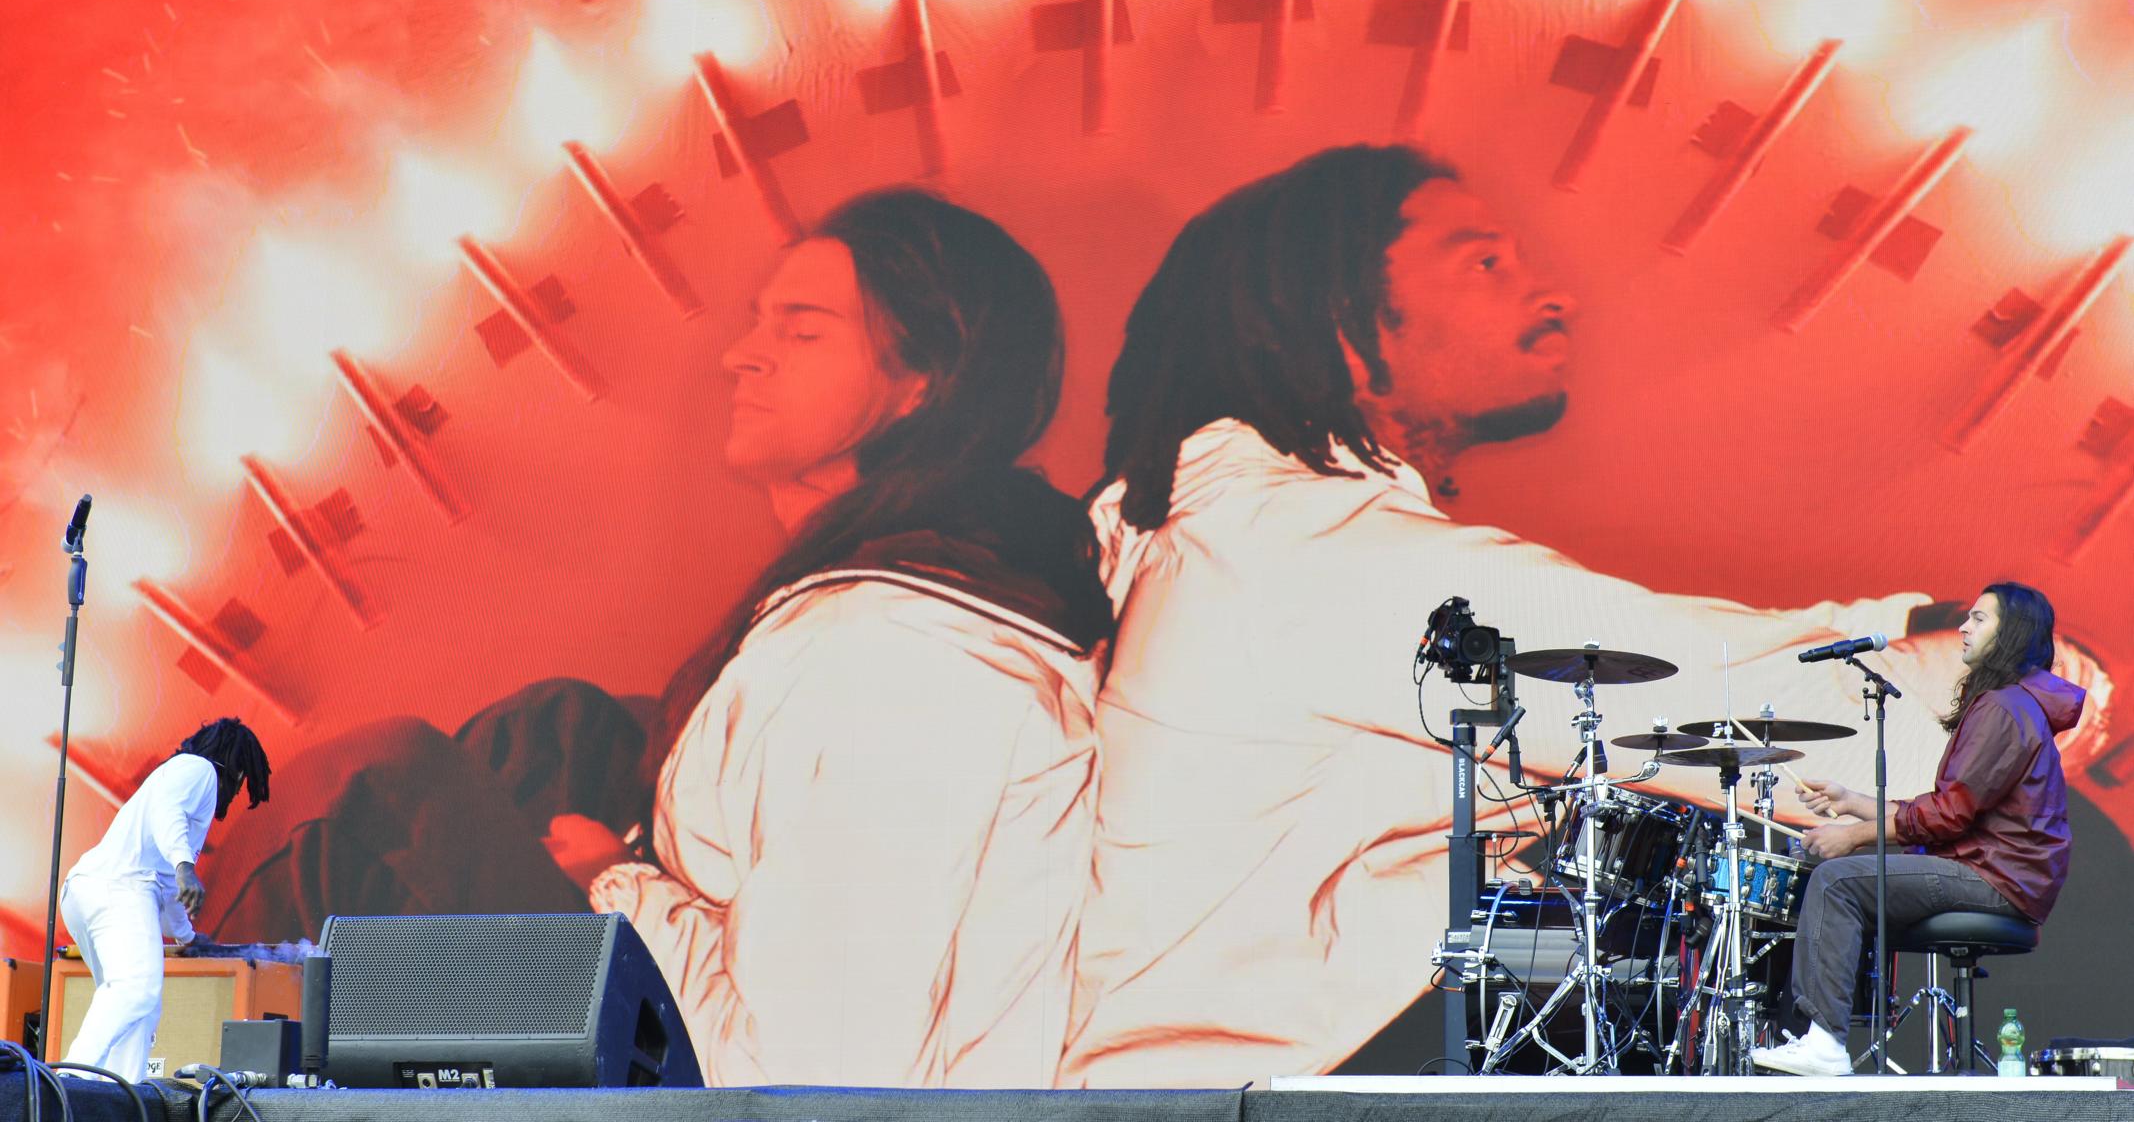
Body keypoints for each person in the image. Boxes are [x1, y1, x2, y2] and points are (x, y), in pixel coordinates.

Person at [1058, 143, 2111, 1087]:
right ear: (1341, 316)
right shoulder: (1311, 552)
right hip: (1267, 1087)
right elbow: (1741, 705)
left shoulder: (1243, 531)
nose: (1550, 291)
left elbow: (1690, 653)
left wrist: (1904, 628)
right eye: (1482, 261)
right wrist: (1993, 671)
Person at [557, 188, 1114, 1087]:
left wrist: (612, 882)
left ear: (922, 383)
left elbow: (799, 1074)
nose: (741, 356)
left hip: (686, 1081)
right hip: (677, 1010)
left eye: (803, 331)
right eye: (758, 322)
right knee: (553, 729)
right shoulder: (886, 613)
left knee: (378, 799)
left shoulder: (896, 663)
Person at [1752, 582, 2078, 1077]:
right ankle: (1817, 1038)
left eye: (1978, 619)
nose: (1963, 628)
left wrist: (1853, 836)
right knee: (1849, 881)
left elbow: (1949, 815)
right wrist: (1851, 802)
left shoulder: (2005, 708)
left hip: (1997, 878)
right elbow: (1952, 809)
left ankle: (1823, 1042)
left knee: (1836, 882)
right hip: (2001, 873)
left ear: (2011, 633)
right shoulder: (2013, 704)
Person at [59, 718, 270, 1081]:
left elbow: (169, 889)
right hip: (119, 889)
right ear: (235, 771)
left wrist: (188, 938)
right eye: (241, 783)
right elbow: (167, 814)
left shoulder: (180, 778)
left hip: (88, 892)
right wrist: (185, 865)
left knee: (139, 1010)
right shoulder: (200, 770)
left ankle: (120, 1092)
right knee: (137, 988)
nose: (236, 794)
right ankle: (69, 1078)